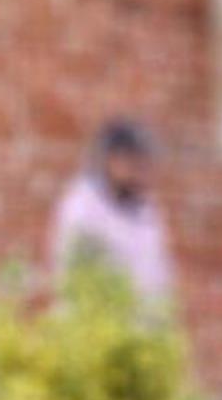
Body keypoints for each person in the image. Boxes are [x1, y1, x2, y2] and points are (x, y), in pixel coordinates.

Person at [49, 119, 175, 310]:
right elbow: (73, 274)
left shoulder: (146, 209)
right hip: (96, 326)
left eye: (143, 160)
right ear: (110, 160)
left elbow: (159, 273)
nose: (141, 168)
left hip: (144, 328)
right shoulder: (83, 207)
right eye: (133, 160)